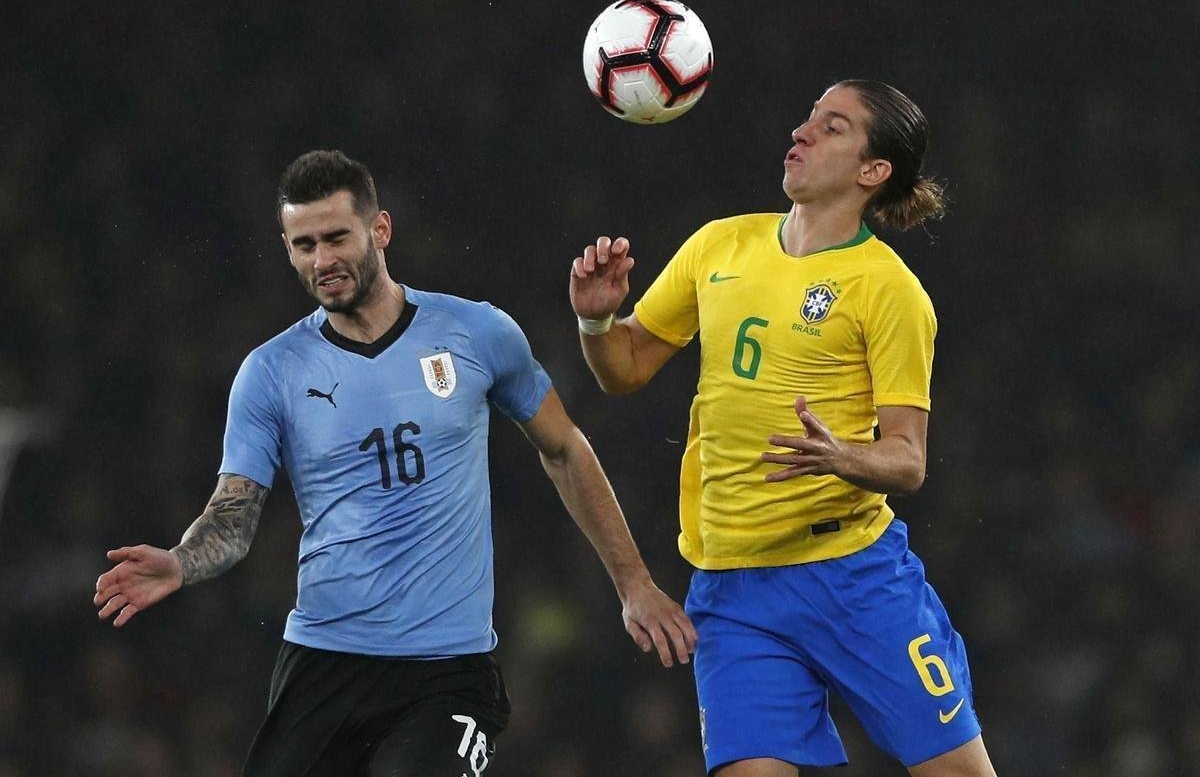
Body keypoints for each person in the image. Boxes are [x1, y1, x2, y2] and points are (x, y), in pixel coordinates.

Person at [94, 149, 697, 776]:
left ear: (379, 230)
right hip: (323, 663)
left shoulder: (476, 333)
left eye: (335, 237)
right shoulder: (270, 373)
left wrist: (633, 583)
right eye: (304, 245)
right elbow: (233, 516)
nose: (322, 260)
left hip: (450, 672)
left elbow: (564, 447)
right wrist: (181, 562)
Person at [569, 80, 999, 776]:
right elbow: (622, 370)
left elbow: (908, 460)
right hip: (734, 588)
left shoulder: (887, 290)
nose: (802, 131)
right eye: (808, 117)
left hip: (854, 577)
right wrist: (595, 320)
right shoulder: (719, 245)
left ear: (872, 171)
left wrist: (843, 457)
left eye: (832, 127)